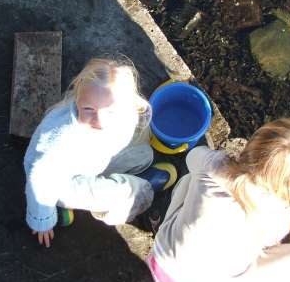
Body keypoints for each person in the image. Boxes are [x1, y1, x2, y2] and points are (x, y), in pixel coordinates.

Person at [148, 118, 290, 282]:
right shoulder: (283, 215)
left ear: (254, 143)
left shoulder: (216, 164)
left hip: (159, 265)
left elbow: (191, 157)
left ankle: (161, 221)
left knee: (190, 178)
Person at [24, 57, 177, 247]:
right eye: (88, 109)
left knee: (144, 154)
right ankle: (130, 194)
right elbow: (39, 181)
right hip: (60, 183)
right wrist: (42, 220)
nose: (99, 121)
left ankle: (120, 184)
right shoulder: (58, 139)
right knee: (130, 193)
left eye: (110, 111)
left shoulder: (123, 111)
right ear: (78, 99)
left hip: (90, 163)